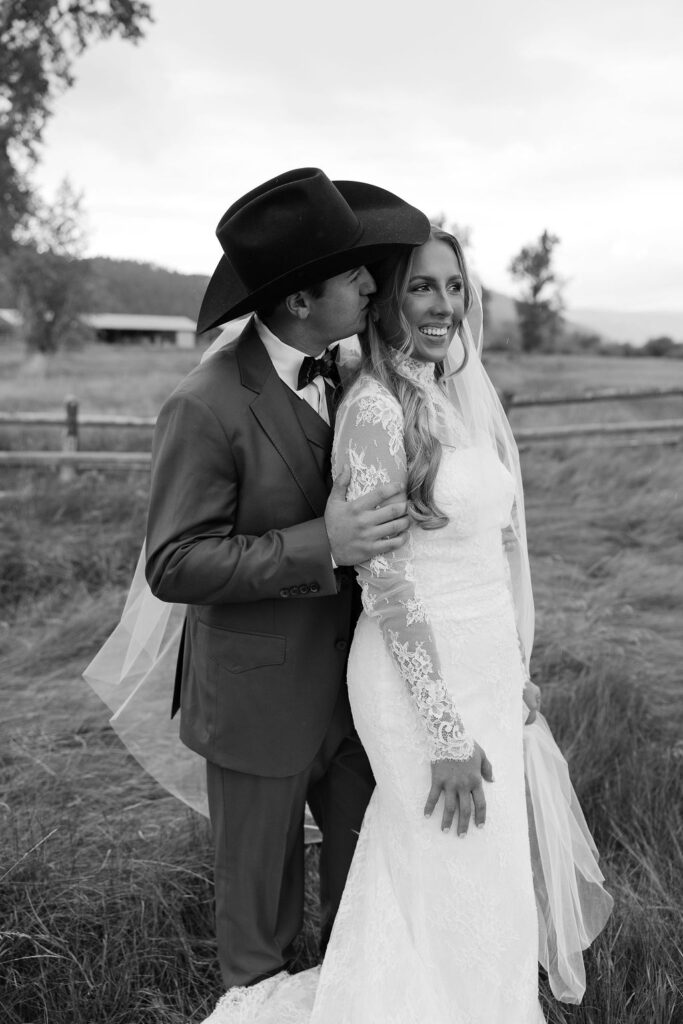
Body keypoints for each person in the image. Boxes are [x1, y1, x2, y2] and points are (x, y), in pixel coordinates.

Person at [200, 226, 613, 1023]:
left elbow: (492, 553)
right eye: (422, 286)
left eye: (454, 287)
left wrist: (513, 670)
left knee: (483, 866)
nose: (443, 305)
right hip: (418, 684)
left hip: (484, 670)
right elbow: (385, 583)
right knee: (446, 854)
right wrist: (444, 734)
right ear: (385, 299)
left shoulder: (451, 397)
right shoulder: (374, 411)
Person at [138, 169, 432, 1014]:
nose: (371, 284)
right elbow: (174, 563)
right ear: (301, 300)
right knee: (258, 937)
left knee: (365, 899)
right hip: (256, 703)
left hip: (357, 698)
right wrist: (321, 545)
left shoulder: (355, 377)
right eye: (352, 274)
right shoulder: (204, 405)